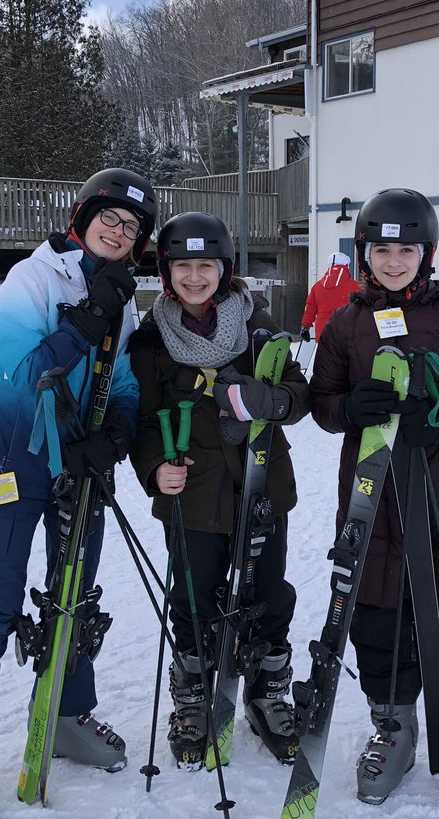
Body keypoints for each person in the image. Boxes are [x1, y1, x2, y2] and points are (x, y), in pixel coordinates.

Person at [0, 168, 157, 819]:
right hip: (12, 463)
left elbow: (127, 381)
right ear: (82, 218)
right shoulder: (34, 277)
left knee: (74, 600)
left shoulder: (124, 294)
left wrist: (115, 430)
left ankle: (66, 716)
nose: (117, 232)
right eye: (109, 218)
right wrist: (85, 322)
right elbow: (14, 373)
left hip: (81, 467)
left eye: (131, 228)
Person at [309, 188, 439, 818]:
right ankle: (393, 731)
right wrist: (350, 410)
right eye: (381, 249)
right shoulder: (346, 323)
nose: (393, 261)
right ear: (363, 252)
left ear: (426, 254)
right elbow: (322, 403)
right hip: (374, 498)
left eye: (405, 250)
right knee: (378, 620)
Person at [127, 211, 310, 769]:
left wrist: (271, 402)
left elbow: (298, 395)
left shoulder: (257, 327)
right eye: (182, 265)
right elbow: (141, 419)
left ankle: (265, 689)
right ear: (166, 271)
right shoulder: (151, 338)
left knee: (267, 591)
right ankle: (193, 696)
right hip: (191, 493)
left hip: (261, 487)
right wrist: (156, 467)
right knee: (192, 597)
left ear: (225, 269)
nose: (194, 277)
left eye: (205, 265)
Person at [300, 250, 361, 342]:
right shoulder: (356, 287)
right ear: (346, 266)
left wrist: (305, 326)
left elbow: (310, 309)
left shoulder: (317, 287)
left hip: (323, 335)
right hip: (347, 336)